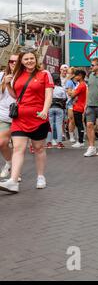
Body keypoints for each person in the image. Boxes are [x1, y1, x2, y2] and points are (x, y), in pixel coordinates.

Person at [0, 49, 54, 194]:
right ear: (21, 62)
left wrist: (44, 110)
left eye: (32, 58)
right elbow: (16, 96)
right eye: (26, 59)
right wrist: (9, 85)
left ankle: (40, 176)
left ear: (36, 60)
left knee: (39, 148)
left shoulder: (44, 74)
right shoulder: (17, 75)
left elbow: (49, 95)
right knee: (18, 148)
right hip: (19, 117)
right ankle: (13, 181)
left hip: (38, 117)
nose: (29, 61)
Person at [0, 53, 18, 179]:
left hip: (20, 116)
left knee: (18, 147)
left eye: (16, 61)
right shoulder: (1, 75)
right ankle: (9, 163)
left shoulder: (24, 77)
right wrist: (3, 84)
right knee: (2, 143)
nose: (13, 63)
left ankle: (16, 173)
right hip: (4, 115)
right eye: (11, 61)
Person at [46, 74, 67, 149]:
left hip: (50, 107)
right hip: (59, 108)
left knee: (49, 126)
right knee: (59, 125)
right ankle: (59, 143)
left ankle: (49, 143)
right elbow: (64, 98)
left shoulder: (49, 88)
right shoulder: (61, 89)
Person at [69, 70, 87, 148]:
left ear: (80, 76)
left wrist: (70, 91)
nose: (75, 77)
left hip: (79, 107)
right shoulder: (81, 84)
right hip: (78, 106)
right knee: (79, 124)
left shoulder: (81, 85)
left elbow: (72, 94)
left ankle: (80, 141)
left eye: (76, 76)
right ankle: (80, 140)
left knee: (79, 125)